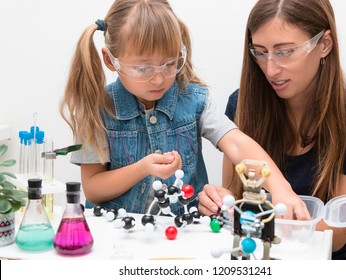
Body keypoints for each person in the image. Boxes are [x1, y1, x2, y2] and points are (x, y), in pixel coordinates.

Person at [59, 0, 309, 219]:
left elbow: (236, 143)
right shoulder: (96, 108)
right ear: (110, 60)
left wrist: (280, 189)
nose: (158, 79)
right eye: (143, 69)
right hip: (116, 235)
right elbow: (92, 187)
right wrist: (143, 168)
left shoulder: (195, 100)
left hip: (182, 235)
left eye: (169, 64)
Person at [197, 0, 346, 260]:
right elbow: (235, 192)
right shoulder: (241, 105)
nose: (270, 69)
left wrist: (250, 219)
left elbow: (333, 236)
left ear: (325, 44)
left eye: (285, 51)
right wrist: (220, 201)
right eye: (260, 52)